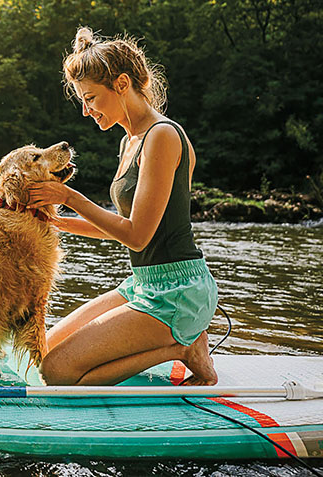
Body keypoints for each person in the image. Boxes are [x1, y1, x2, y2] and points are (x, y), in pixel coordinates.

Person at [27, 27, 218, 386]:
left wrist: (69, 197)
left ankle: (184, 349)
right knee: (47, 349)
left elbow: (137, 236)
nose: (86, 111)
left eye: (91, 98)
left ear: (121, 84)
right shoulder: (129, 141)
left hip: (179, 293)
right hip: (144, 284)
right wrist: (54, 223)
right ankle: (178, 343)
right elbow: (121, 224)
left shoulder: (162, 136)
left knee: (58, 372)